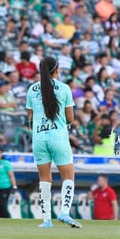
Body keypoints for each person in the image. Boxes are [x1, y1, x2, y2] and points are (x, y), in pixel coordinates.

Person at [26, 56, 82, 228]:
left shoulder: (32, 89)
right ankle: (64, 211)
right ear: (56, 70)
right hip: (58, 137)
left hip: (39, 139)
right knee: (68, 175)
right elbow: (70, 117)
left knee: (44, 178)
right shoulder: (64, 88)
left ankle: (46, 220)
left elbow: (30, 118)